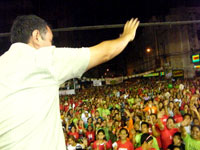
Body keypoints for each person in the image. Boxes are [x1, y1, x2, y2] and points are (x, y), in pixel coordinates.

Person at [0, 15, 140, 150]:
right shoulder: (43, 59)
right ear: (36, 36)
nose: (51, 45)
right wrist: (126, 37)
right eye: (50, 40)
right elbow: (104, 53)